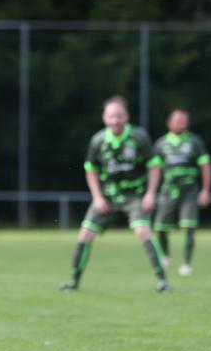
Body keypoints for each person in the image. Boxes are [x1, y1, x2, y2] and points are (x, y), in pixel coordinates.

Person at [61, 96, 170, 293]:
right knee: (85, 234)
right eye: (112, 116)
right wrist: (97, 197)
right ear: (104, 118)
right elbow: (91, 169)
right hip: (107, 195)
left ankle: (162, 281)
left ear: (126, 116)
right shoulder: (98, 140)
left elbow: (154, 166)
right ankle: (73, 282)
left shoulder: (139, 137)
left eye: (119, 116)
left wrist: (150, 193)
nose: (116, 120)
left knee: (142, 231)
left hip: (135, 195)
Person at [152, 109, 211, 276]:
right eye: (178, 120)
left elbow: (205, 165)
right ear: (169, 122)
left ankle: (186, 263)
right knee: (160, 228)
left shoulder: (195, 141)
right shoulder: (161, 144)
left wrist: (205, 190)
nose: (182, 124)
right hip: (167, 191)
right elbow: (155, 169)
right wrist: (151, 192)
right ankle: (165, 256)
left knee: (188, 227)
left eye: (185, 121)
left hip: (190, 191)